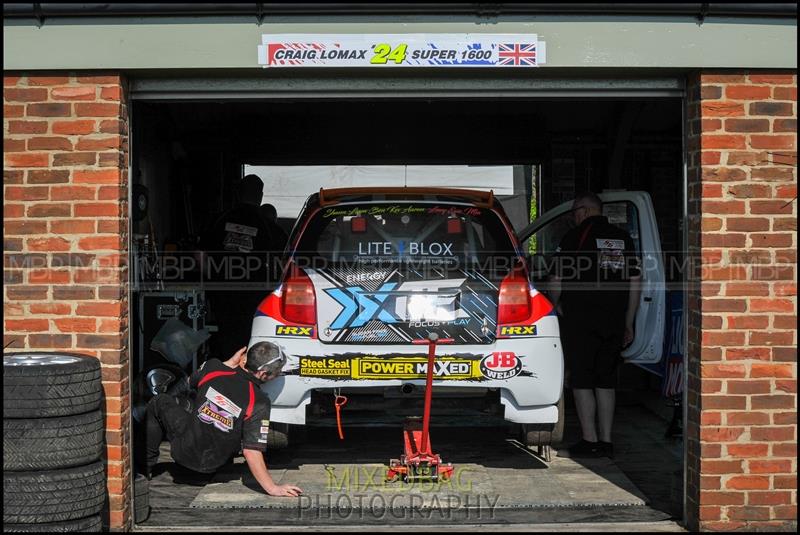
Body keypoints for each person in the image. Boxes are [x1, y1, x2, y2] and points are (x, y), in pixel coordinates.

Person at [139, 342, 303, 497]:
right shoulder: (259, 402)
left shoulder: (213, 367)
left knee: (159, 401)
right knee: (241, 427)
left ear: (244, 358)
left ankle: (143, 469)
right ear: (263, 374)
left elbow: (188, 383)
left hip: (182, 455)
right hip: (212, 470)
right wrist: (273, 488)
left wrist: (227, 363)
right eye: (278, 373)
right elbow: (251, 451)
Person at [549, 191, 641, 459]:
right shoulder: (623, 238)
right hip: (613, 319)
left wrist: (556, 304)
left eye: (576, 212)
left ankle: (589, 440)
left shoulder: (572, 238)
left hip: (580, 319)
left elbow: (556, 278)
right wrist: (629, 321)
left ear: (585, 211)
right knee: (606, 380)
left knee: (582, 380)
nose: (574, 217)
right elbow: (636, 282)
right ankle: (607, 441)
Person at [200, 174, 277, 359]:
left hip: (223, 295)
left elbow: (199, 255)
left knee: (225, 339)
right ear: (260, 195)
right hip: (255, 297)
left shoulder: (219, 220)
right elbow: (280, 263)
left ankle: (226, 377)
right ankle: (245, 379)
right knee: (253, 341)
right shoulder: (269, 226)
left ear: (239, 193)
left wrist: (211, 281)